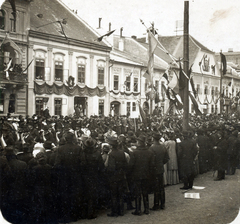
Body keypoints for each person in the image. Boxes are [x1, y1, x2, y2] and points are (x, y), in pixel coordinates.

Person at [129, 134, 154, 215]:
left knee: (137, 193)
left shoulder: (134, 153)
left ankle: (138, 210)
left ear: (139, 142)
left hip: (136, 175)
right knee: (145, 192)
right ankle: (146, 209)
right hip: (147, 175)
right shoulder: (149, 152)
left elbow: (131, 165)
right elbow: (152, 165)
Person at [105, 136, 128, 217]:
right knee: (120, 194)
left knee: (114, 195)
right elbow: (125, 164)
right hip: (121, 175)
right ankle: (121, 210)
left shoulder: (111, 154)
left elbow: (111, 167)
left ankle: (114, 211)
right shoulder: (122, 152)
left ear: (111, 146)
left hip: (114, 177)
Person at [150, 132, 169, 210]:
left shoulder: (152, 148)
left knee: (156, 187)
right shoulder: (163, 147)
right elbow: (166, 158)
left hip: (154, 169)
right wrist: (161, 163)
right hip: (161, 168)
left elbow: (151, 160)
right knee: (161, 187)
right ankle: (162, 204)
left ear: (153, 139)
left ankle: (156, 204)